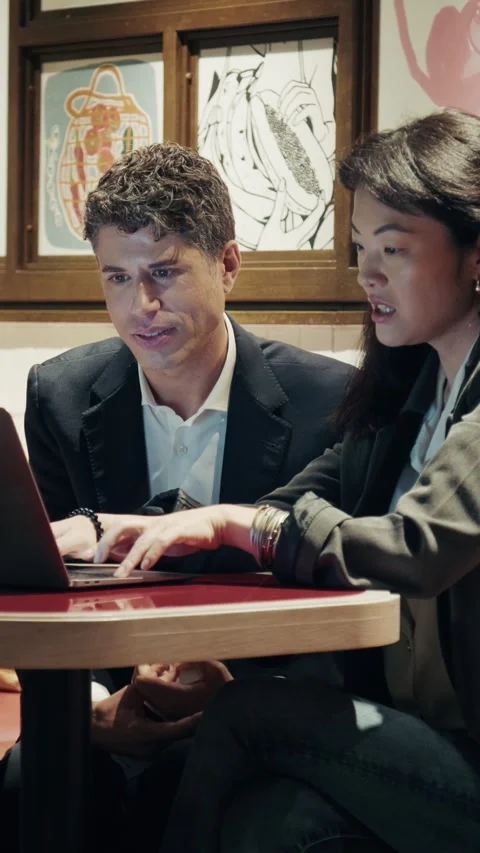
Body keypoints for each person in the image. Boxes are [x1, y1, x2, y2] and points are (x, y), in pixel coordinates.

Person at [95, 109, 480, 853]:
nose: (367, 274)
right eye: (360, 248)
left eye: (393, 249)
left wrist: (263, 528)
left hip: (462, 751)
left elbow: (417, 545)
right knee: (269, 825)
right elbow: (271, 509)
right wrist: (113, 526)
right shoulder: (410, 397)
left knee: (245, 711)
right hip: (413, 734)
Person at [0, 141, 354, 851]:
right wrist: (95, 711)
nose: (143, 306)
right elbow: (49, 593)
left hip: (261, 710)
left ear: (227, 265)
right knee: (22, 781)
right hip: (108, 707)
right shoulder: (61, 395)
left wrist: (234, 694)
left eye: (164, 273)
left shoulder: (330, 401)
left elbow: (344, 603)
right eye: (118, 278)